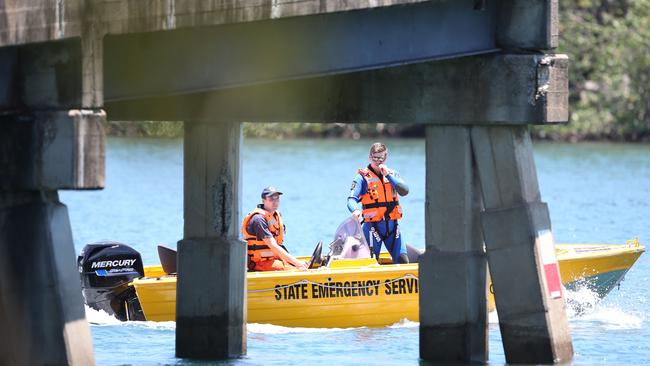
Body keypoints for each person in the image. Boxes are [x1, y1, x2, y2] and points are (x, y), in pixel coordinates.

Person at [348, 142, 410, 264]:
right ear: (369, 157)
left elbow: (405, 191)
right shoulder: (361, 177)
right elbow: (351, 199)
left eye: (380, 158)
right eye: (374, 157)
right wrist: (355, 210)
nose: (377, 161)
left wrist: (388, 175)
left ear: (385, 158)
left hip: (393, 227)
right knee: (369, 263)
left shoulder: (393, 174)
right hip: (372, 228)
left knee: (403, 260)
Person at [242, 186, 308, 271]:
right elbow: (273, 245)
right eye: (271, 199)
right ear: (263, 201)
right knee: (296, 269)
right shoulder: (258, 219)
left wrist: (295, 262)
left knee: (301, 266)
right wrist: (298, 263)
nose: (275, 202)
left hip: (273, 260)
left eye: (277, 199)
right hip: (259, 263)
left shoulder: (274, 216)